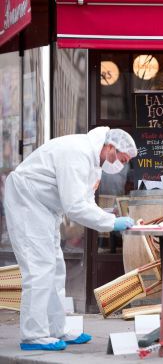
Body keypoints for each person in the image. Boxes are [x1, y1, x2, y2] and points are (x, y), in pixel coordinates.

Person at [3, 127, 137, 351]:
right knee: (39, 269)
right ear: (111, 147)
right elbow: (75, 207)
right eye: (121, 159)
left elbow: (85, 202)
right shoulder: (78, 152)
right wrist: (111, 223)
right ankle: (33, 335)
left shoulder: (93, 162)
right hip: (27, 202)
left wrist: (109, 218)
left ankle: (57, 328)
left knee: (55, 268)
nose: (121, 165)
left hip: (43, 207)